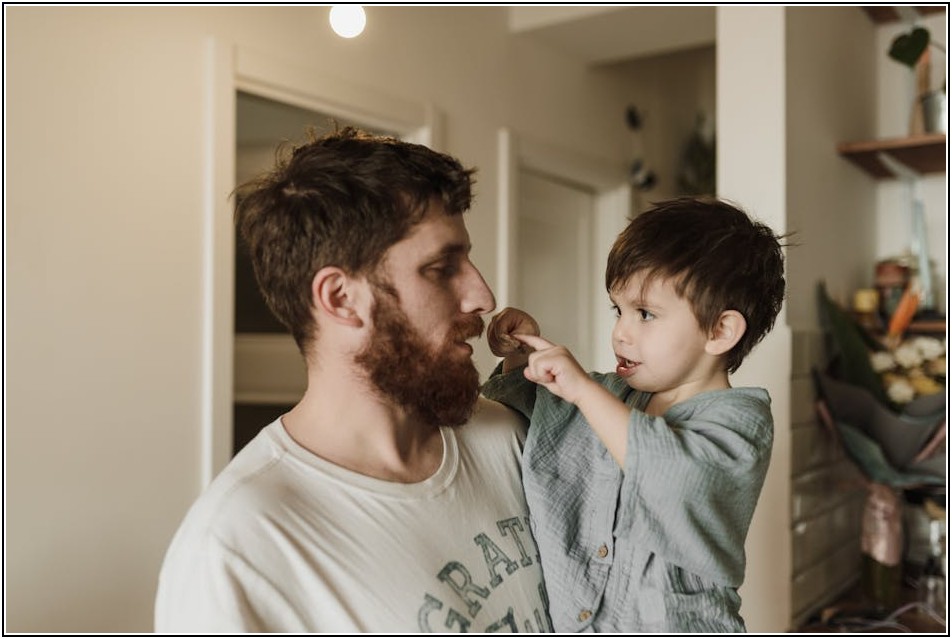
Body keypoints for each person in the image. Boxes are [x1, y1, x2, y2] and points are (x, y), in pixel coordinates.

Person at [155, 127, 550, 633]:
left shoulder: (508, 437)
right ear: (341, 298)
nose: (482, 296)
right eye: (441, 268)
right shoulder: (235, 551)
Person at [482, 197, 787, 633]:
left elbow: (678, 478)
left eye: (645, 314)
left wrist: (583, 391)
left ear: (720, 331)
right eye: (618, 310)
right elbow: (529, 404)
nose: (621, 333)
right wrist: (522, 352)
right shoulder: (610, 395)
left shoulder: (742, 422)